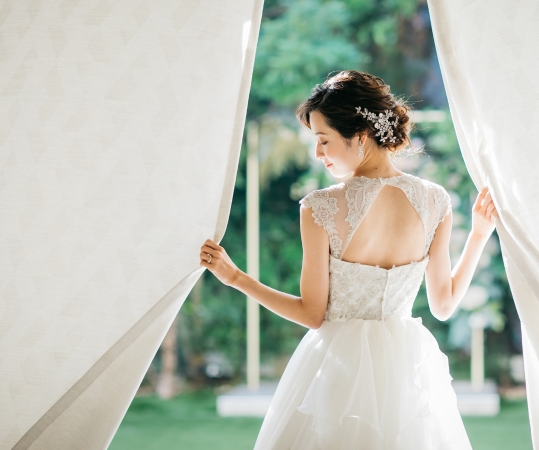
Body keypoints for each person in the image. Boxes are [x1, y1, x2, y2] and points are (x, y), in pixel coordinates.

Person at [199, 70, 498, 449]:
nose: (318, 154)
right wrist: (478, 234)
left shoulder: (320, 207)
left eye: (323, 140)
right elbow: (443, 305)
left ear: (359, 135)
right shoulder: (435, 200)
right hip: (403, 368)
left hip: (337, 367)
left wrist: (236, 278)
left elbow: (312, 314)